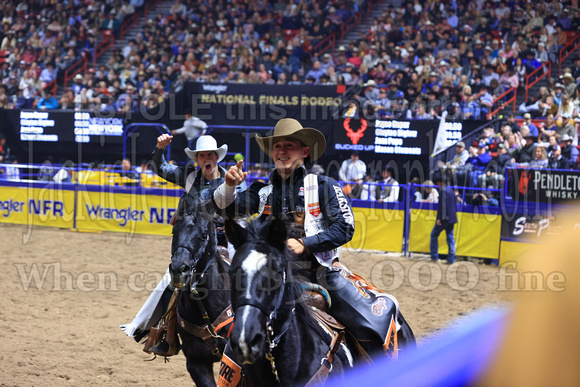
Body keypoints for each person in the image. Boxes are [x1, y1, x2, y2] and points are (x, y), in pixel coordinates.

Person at [214, 118, 396, 356]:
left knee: (371, 322)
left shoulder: (324, 186)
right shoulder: (261, 191)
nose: (282, 151)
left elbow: (345, 226)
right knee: (230, 332)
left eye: (289, 145)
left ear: (305, 151)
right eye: (277, 146)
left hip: (321, 274)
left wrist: (305, 244)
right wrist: (228, 186)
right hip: (269, 276)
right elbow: (227, 210)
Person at [430, 171, 457, 264]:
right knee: (450, 237)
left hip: (445, 218)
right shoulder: (450, 190)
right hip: (452, 218)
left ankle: (434, 256)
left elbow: (443, 206)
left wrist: (439, 219)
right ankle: (451, 259)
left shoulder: (443, 191)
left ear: (439, 182)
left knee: (434, 235)